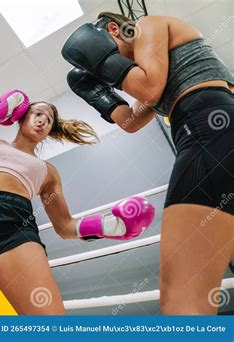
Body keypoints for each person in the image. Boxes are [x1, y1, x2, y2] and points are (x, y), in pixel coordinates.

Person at [0, 90, 155, 315]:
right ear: (21, 117)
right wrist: (8, 105)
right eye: (37, 113)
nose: (43, 120)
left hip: (14, 227)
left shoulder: (48, 171)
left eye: (49, 119)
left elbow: (65, 226)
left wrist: (109, 226)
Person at [61, 12, 234, 315]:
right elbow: (130, 121)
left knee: (184, 299)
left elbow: (150, 88)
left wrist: (103, 63)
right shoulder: (156, 70)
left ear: (114, 29)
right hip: (212, 124)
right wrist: (101, 96)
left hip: (208, 122)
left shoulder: (147, 25)